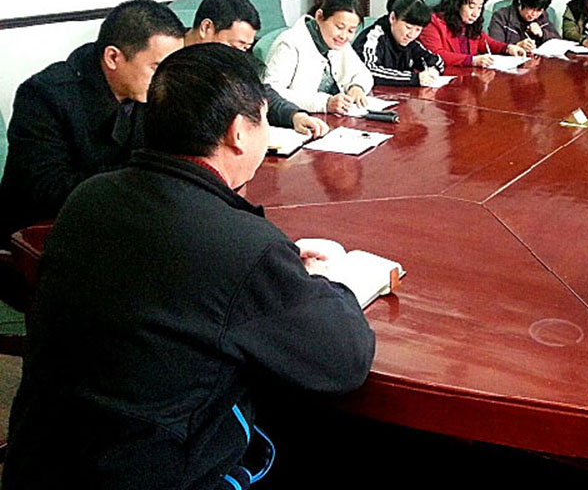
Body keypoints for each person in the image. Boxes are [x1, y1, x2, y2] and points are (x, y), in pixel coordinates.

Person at [2, 44, 376, 489]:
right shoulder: (243, 246)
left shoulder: (88, 198)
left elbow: (176, 273)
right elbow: (345, 361)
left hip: (40, 469)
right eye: (264, 119)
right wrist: (328, 282)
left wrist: (274, 272)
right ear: (238, 132)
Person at [0, 0, 185, 248]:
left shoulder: (153, 90)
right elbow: (44, 192)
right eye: (157, 67)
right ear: (113, 57)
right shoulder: (45, 95)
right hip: (44, 237)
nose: (166, 78)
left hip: (121, 222)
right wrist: (142, 177)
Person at [186, 0, 328, 137]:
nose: (239, 56)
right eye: (236, 46)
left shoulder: (223, 59)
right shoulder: (173, 59)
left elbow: (259, 93)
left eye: (245, 48)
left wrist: (295, 116)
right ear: (206, 28)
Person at [262, 0, 374, 114]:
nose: (344, 36)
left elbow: (363, 73)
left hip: (333, 117)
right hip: (298, 118)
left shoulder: (339, 43)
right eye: (339, 27)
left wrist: (357, 87)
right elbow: (271, 92)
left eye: (351, 31)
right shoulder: (291, 42)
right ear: (319, 17)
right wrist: (325, 103)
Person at [419, 0, 527, 67]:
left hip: (466, 77)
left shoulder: (469, 24)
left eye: (479, 8)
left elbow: (486, 42)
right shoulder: (433, 22)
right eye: (471, 7)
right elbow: (436, 54)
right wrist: (472, 60)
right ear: (457, 4)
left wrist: (508, 48)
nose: (476, 13)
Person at [353, 0, 445, 86]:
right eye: (408, 27)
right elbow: (369, 71)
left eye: (418, 30)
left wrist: (433, 70)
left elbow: (437, 61)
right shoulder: (373, 37)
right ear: (392, 18)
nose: (411, 35)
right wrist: (414, 79)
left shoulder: (410, 42)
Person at [487, 0, 559, 50]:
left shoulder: (543, 18)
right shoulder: (501, 18)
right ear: (520, 2)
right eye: (531, 9)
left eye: (539, 10)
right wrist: (516, 46)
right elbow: (494, 47)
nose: (534, 14)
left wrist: (543, 34)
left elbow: (559, 45)